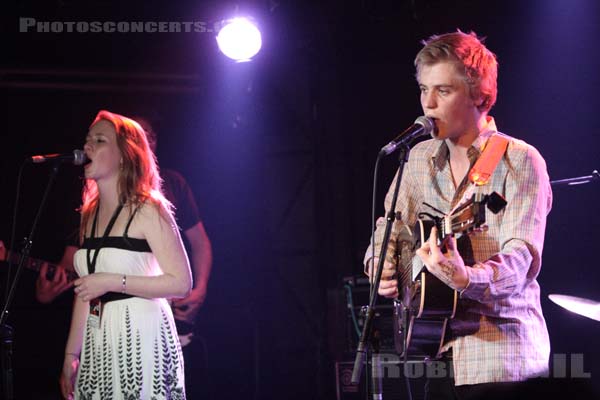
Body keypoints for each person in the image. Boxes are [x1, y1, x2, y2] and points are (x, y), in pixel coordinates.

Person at [365, 31, 552, 399]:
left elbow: (522, 257)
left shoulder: (519, 160)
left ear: (480, 96)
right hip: (434, 349)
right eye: (423, 89)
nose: (428, 104)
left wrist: (466, 278)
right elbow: (388, 226)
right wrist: (379, 265)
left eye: (443, 91)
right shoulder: (418, 158)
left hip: (501, 355)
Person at [60, 110, 192, 399]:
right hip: (100, 336)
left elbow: (181, 282)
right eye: (87, 140)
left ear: (124, 155)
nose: (88, 147)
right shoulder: (90, 215)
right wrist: (71, 353)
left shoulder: (148, 209)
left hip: (141, 334)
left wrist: (112, 281)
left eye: (100, 140)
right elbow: (87, 291)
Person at [135, 116, 213, 398]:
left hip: (170, 316)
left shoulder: (173, 183)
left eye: (151, 134)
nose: (147, 140)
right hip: (131, 318)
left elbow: (200, 243)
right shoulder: (106, 194)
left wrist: (199, 290)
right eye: (138, 133)